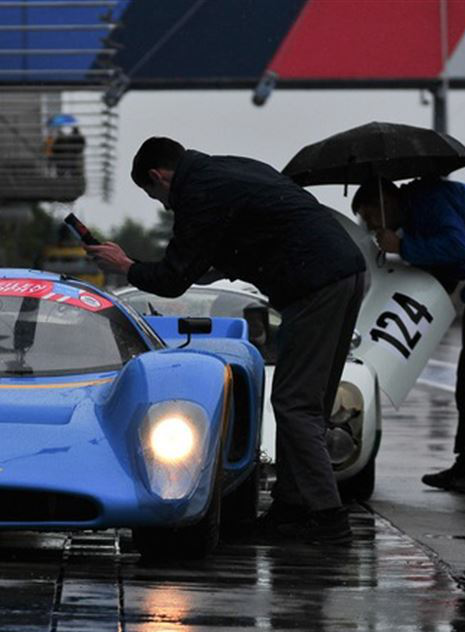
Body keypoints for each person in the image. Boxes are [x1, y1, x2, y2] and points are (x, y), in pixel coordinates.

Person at [86, 137, 367, 543]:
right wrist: (215, 265)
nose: (166, 206)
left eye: (157, 196)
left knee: (294, 404)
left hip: (315, 284)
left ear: (158, 175)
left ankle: (327, 518)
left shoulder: (196, 192)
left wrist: (125, 265)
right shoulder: (229, 169)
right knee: (310, 404)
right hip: (342, 272)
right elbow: (250, 234)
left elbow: (171, 280)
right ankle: (292, 507)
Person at [351, 177, 465, 494]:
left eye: (370, 216)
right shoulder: (420, 208)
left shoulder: (430, 201)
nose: (371, 226)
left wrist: (402, 247)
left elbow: (456, 247)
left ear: (385, 204)